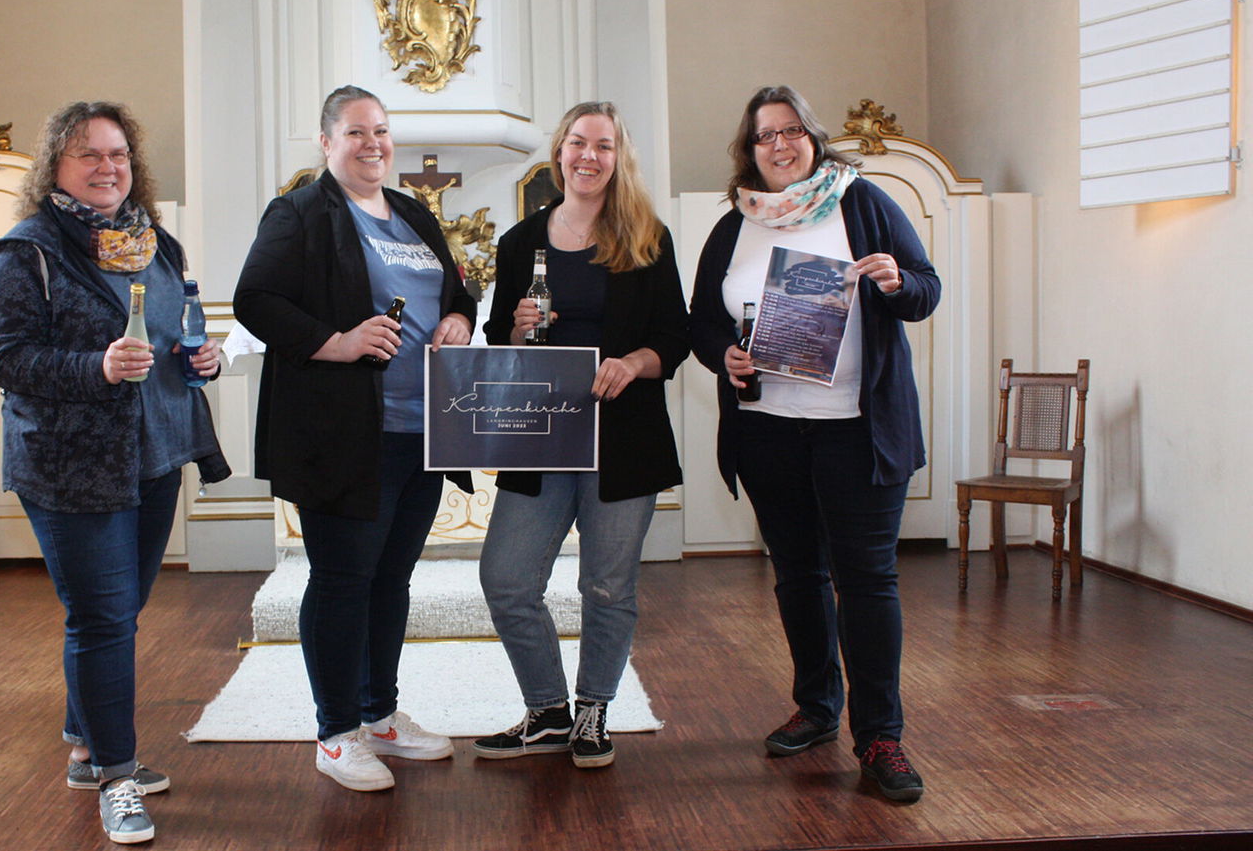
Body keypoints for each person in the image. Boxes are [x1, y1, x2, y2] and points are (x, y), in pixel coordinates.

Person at [0, 101, 229, 843]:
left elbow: (179, 331)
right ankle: (118, 777)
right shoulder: (25, 251)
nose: (106, 167)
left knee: (116, 611)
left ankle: (88, 748)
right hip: (69, 464)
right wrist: (95, 366)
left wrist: (201, 357)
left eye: (118, 154)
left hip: (153, 453)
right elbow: (6, 357)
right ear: (56, 164)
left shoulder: (157, 244)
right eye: (88, 154)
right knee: (102, 616)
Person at [689, 85, 940, 803]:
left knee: (867, 581)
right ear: (751, 149)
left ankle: (882, 736)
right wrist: (724, 356)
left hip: (857, 431)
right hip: (768, 429)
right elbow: (701, 321)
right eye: (766, 134)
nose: (780, 144)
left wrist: (895, 280)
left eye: (793, 130)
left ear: (813, 139)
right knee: (797, 574)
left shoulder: (862, 203)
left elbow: (926, 288)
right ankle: (818, 707)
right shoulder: (733, 225)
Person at [233, 85, 477, 792]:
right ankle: (336, 731)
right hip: (344, 433)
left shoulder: (411, 212)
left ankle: (380, 714)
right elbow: (256, 298)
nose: (372, 144)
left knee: (392, 578)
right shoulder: (302, 212)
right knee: (342, 579)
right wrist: (335, 343)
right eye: (356, 132)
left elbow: (456, 290)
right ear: (326, 141)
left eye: (381, 131)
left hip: (421, 429)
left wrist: (459, 319)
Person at [475, 101, 689, 769]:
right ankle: (546, 710)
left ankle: (594, 710)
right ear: (558, 153)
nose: (588, 156)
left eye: (603, 145)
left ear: (617, 156)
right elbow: (497, 344)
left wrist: (632, 363)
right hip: (541, 439)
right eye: (577, 143)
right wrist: (513, 325)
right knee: (506, 578)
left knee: (607, 587)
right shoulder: (519, 244)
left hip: (625, 439)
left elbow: (674, 337)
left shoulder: (647, 237)